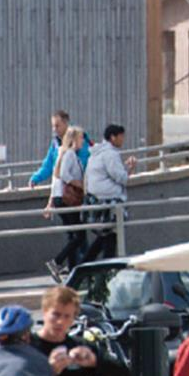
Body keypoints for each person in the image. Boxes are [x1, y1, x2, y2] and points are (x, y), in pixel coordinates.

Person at [81, 124, 137, 263]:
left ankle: (86, 266)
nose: (123, 140)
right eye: (121, 137)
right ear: (113, 137)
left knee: (106, 237)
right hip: (109, 203)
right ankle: (103, 271)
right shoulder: (110, 154)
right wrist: (130, 169)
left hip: (96, 200)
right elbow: (121, 178)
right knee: (110, 237)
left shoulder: (97, 153)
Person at [42, 125, 87, 279]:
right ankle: (57, 262)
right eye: (81, 138)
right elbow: (64, 175)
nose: (83, 141)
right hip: (66, 199)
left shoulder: (65, 153)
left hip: (61, 198)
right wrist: (80, 184)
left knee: (73, 234)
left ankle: (72, 269)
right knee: (79, 235)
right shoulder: (69, 154)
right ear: (74, 139)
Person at [29, 109, 91, 188]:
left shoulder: (80, 142)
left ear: (66, 123)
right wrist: (36, 178)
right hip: (60, 189)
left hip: (76, 190)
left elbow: (84, 164)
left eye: (57, 126)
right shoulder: (55, 144)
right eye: (53, 126)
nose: (54, 129)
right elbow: (48, 165)